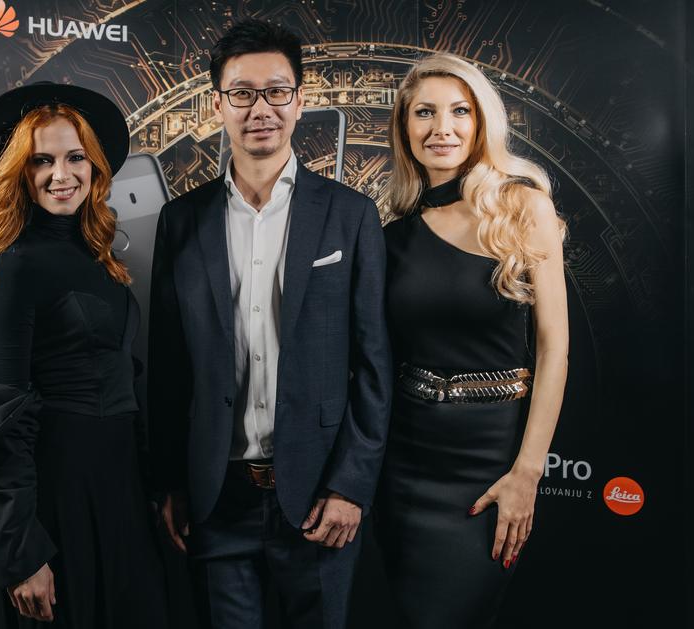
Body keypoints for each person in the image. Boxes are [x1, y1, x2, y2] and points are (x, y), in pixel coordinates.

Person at [148, 19, 392, 629]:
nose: (261, 109)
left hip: (320, 495)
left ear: (300, 100)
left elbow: (374, 364)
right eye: (242, 93)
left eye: (277, 91)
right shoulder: (181, 221)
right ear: (218, 105)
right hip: (217, 498)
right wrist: (170, 482)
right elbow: (168, 365)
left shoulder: (351, 215)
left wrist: (351, 485)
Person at [0, 82, 167, 628]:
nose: (60, 175)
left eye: (75, 158)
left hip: (121, 486)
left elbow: (123, 377)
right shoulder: (16, 265)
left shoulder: (100, 258)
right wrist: (22, 550)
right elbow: (4, 411)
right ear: (21, 173)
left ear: (94, 166)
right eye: (42, 161)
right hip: (59, 486)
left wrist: (152, 486)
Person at [375, 53, 569, 628]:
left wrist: (527, 473)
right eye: (425, 113)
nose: (442, 128)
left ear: (482, 121)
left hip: (488, 466)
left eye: (460, 111)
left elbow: (554, 348)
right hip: (404, 466)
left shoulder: (522, 207)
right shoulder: (391, 234)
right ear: (404, 127)